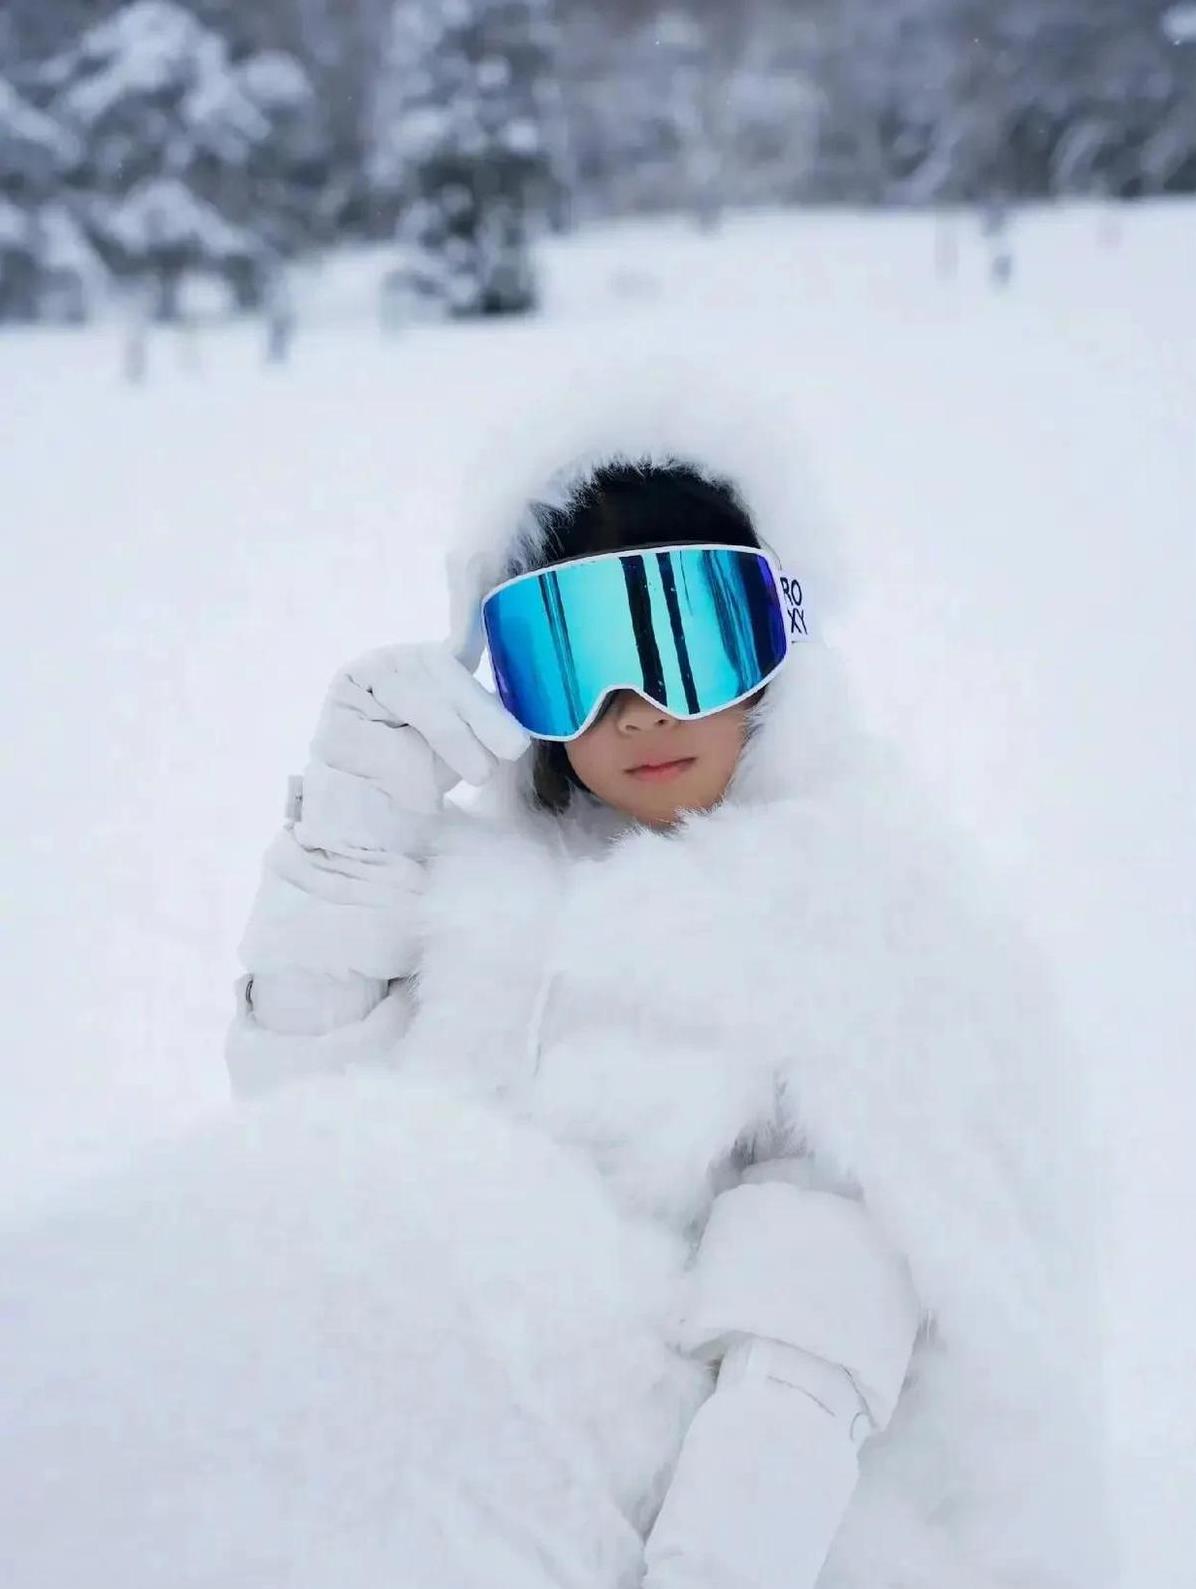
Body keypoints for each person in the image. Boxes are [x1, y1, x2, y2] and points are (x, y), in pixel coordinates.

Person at [225, 421, 1112, 1589]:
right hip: (471, 1509)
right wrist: (353, 837)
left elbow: (812, 1326)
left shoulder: (862, 922)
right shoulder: (482, 903)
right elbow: (313, 1147)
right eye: (576, 654)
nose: (637, 708)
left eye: (685, 639)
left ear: (775, 643)